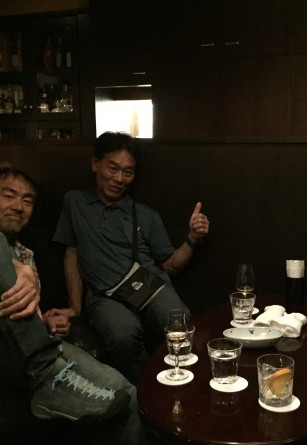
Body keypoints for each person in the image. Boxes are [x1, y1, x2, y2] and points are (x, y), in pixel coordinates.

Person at [0, 168, 155, 445]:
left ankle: (48, 374)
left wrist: (45, 322)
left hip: (1, 359)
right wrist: (19, 269)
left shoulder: (26, 255)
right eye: (9, 195)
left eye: (27, 200)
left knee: (123, 394)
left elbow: (23, 320)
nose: (19, 206)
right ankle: (46, 374)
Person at [52, 131, 210, 383]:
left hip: (148, 286)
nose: (119, 178)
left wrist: (192, 238)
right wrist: (76, 306)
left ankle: (189, 385)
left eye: (128, 172)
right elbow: (71, 253)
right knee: (122, 334)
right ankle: (144, 391)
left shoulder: (145, 214)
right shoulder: (75, 202)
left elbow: (171, 265)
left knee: (179, 323)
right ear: (95, 163)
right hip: (104, 295)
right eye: (113, 168)